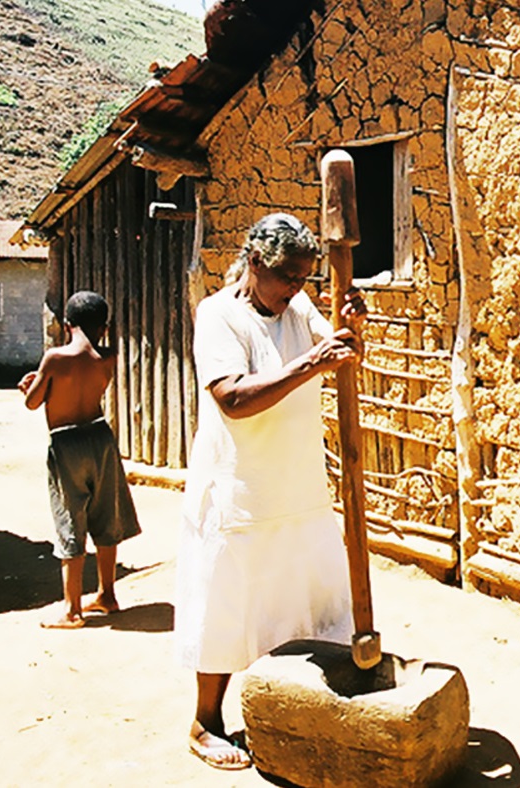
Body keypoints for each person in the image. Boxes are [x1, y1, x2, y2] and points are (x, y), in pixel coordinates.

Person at [174, 212, 365, 770]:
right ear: (255, 262)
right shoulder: (218, 316)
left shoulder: (297, 307)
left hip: (298, 488)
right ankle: (205, 722)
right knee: (229, 608)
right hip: (240, 493)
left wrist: (354, 328)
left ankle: (297, 711)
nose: (293, 289)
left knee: (311, 604)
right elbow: (232, 398)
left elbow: (345, 354)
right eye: (285, 276)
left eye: (303, 279)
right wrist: (311, 363)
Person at [18, 290, 141, 629]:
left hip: (66, 442)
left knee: (70, 518)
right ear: (104, 326)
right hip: (101, 437)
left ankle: (72, 610)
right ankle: (108, 595)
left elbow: (33, 402)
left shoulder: (55, 358)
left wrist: (27, 385)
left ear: (67, 323)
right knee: (105, 516)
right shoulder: (109, 357)